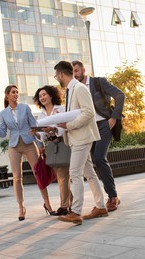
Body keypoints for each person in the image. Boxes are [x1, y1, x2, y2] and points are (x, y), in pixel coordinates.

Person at [0, 84, 55, 221]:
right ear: (7, 95)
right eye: (13, 92)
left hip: (29, 144)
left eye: (17, 92)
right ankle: (21, 208)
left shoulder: (25, 108)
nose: (16, 94)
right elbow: (2, 133)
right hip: (14, 146)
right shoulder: (3, 113)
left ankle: (47, 204)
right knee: (17, 178)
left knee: (39, 175)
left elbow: (34, 126)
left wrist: (40, 143)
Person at [54, 61, 108, 225]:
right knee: (89, 173)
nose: (56, 78)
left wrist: (69, 125)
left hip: (82, 137)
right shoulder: (71, 90)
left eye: (56, 75)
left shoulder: (79, 88)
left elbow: (89, 113)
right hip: (77, 137)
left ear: (62, 74)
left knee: (74, 173)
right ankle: (100, 206)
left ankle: (76, 211)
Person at [72, 60, 125, 212]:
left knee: (99, 157)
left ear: (83, 70)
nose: (75, 74)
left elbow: (120, 95)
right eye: (73, 72)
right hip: (87, 127)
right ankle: (101, 199)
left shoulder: (98, 82)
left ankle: (113, 196)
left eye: (77, 70)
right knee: (92, 162)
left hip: (103, 125)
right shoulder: (75, 89)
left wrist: (114, 118)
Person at [32, 85, 72, 216]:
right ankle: (72, 205)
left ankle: (64, 206)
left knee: (62, 176)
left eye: (44, 94)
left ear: (51, 95)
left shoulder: (60, 109)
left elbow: (66, 127)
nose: (42, 98)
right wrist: (36, 134)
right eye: (40, 96)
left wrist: (54, 129)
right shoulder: (41, 115)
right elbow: (42, 136)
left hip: (63, 143)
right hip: (51, 147)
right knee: (61, 178)